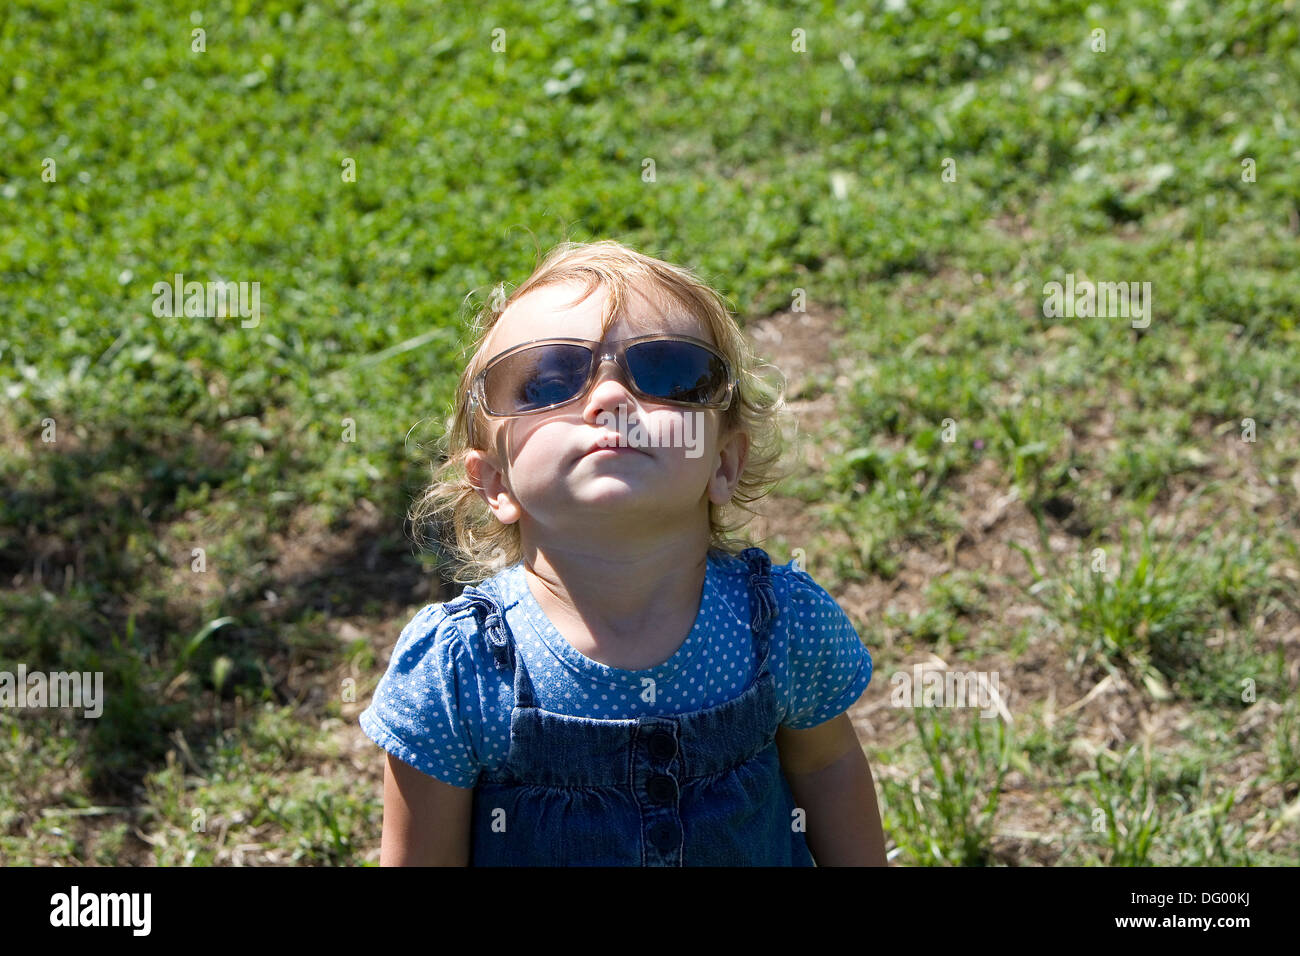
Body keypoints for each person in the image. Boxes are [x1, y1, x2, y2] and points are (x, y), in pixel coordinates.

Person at [360, 239, 887, 866]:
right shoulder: (459, 671)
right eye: (549, 380)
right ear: (495, 482)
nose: (609, 399)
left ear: (723, 462)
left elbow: (828, 771)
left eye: (670, 372)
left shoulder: (778, 624)